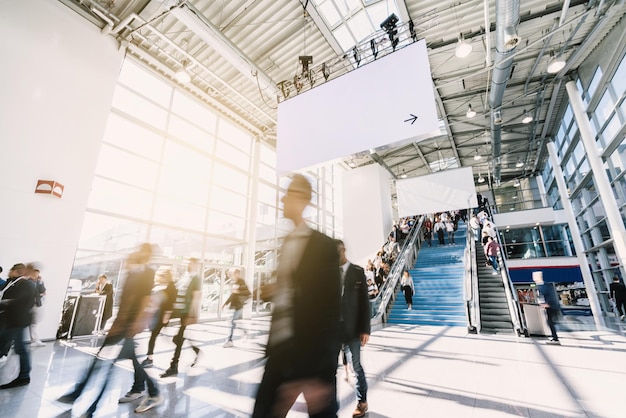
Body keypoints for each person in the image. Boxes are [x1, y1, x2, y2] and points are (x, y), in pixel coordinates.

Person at [252, 174, 341, 418]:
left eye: (288, 194)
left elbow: (330, 309)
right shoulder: (287, 243)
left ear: (302, 199)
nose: (282, 200)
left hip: (310, 354)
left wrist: (317, 370)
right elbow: (294, 294)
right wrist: (273, 291)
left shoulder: (323, 246)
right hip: (281, 349)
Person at [58, 245, 162, 415]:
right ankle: (153, 391)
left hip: (127, 326)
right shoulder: (132, 272)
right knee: (102, 362)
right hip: (121, 324)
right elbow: (125, 300)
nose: (136, 254)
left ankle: (90, 405)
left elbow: (144, 299)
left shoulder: (147, 273)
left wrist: (134, 322)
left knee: (107, 366)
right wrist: (116, 321)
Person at [337, 240, 371, 418]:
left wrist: (365, 329)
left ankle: (362, 402)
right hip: (334, 330)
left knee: (356, 366)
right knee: (328, 368)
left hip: (353, 329)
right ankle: (329, 406)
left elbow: (365, 303)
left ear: (343, 251)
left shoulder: (357, 272)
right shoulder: (330, 274)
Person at [160, 258, 202, 378]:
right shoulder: (186, 276)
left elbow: (196, 296)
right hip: (178, 309)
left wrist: (192, 315)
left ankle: (173, 366)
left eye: (190, 263)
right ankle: (195, 350)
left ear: (195, 265)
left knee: (178, 340)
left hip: (185, 312)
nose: (188, 265)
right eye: (188, 263)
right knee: (177, 338)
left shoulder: (196, 278)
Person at [0, 263, 36, 389]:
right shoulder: (13, 282)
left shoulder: (26, 284)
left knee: (20, 348)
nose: (9, 272)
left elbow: (20, 302)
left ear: (17, 271)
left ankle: (24, 376)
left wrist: (5, 303)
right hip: (11, 320)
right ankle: (24, 376)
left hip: (18, 321)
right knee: (3, 341)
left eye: (11, 270)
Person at [141, 266, 177, 368]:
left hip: (162, 316)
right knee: (158, 337)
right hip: (159, 315)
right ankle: (150, 358)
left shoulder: (172, 287)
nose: (163, 277)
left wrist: (167, 316)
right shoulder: (165, 285)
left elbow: (171, 302)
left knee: (154, 337)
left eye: (164, 275)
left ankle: (149, 359)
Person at [222, 269, 251, 348]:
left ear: (238, 274)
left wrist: (239, 292)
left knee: (232, 322)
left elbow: (248, 293)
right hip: (234, 306)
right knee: (234, 322)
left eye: (235, 273)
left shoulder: (242, 282)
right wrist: (225, 303)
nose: (233, 275)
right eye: (233, 273)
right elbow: (233, 295)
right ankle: (245, 333)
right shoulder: (235, 283)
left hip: (239, 306)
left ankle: (229, 340)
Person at [533, 272, 561, 345]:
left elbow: (548, 296)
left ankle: (555, 338)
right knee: (550, 322)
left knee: (550, 322)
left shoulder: (542, 286)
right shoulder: (544, 285)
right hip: (552, 306)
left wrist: (547, 304)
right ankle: (554, 337)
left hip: (551, 306)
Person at [29, 268, 46, 347]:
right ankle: (34, 340)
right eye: (35, 274)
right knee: (29, 323)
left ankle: (34, 340)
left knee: (33, 323)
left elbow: (43, 291)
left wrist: (40, 282)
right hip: (29, 304)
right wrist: (39, 295)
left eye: (37, 274)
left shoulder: (38, 283)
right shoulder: (28, 282)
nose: (36, 276)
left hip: (35, 304)